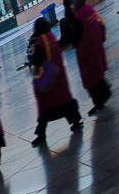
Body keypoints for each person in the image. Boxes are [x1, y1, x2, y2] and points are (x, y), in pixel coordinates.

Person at [27, 18, 81, 146]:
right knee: (65, 101)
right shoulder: (51, 36)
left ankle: (41, 135)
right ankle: (76, 120)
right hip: (59, 76)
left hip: (49, 80)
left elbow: (37, 60)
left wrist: (33, 60)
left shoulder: (41, 42)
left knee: (45, 108)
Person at [73, 0, 112, 113]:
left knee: (90, 78)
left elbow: (77, 35)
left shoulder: (79, 15)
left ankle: (99, 101)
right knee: (97, 74)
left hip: (86, 50)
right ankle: (103, 94)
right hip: (96, 45)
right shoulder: (89, 8)